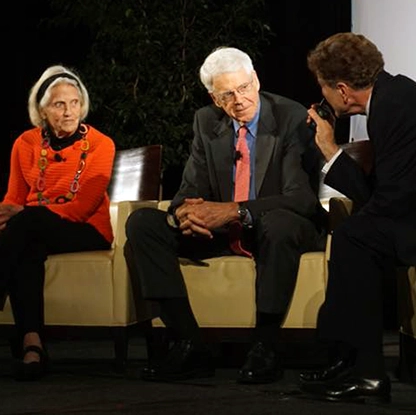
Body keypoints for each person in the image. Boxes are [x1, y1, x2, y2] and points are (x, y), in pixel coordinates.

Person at [124, 46, 327, 384]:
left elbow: (300, 199)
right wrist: (184, 214)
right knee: (143, 223)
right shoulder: (206, 121)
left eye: (244, 87)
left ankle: (265, 346)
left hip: (276, 226)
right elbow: (188, 189)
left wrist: (235, 210)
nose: (239, 100)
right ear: (215, 99)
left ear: (256, 81)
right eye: (227, 94)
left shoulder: (290, 117)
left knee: (278, 224)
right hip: (220, 231)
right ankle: (189, 342)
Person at [299, 32, 416, 403]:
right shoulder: (391, 96)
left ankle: (366, 372)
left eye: (324, 87)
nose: (324, 96)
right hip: (405, 211)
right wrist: (330, 149)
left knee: (355, 236)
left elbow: (389, 199)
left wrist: (329, 148)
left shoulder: (396, 106)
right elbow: (381, 194)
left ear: (343, 90)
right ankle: (348, 360)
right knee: (355, 233)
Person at [0, 65, 115, 381]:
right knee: (27, 248)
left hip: (87, 228)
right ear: (41, 111)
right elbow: (13, 198)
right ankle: (33, 346)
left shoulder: (101, 144)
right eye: (59, 104)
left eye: (75, 103)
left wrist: (25, 214)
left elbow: (81, 208)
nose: (69, 112)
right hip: (34, 228)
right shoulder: (25, 143)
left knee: (29, 222)